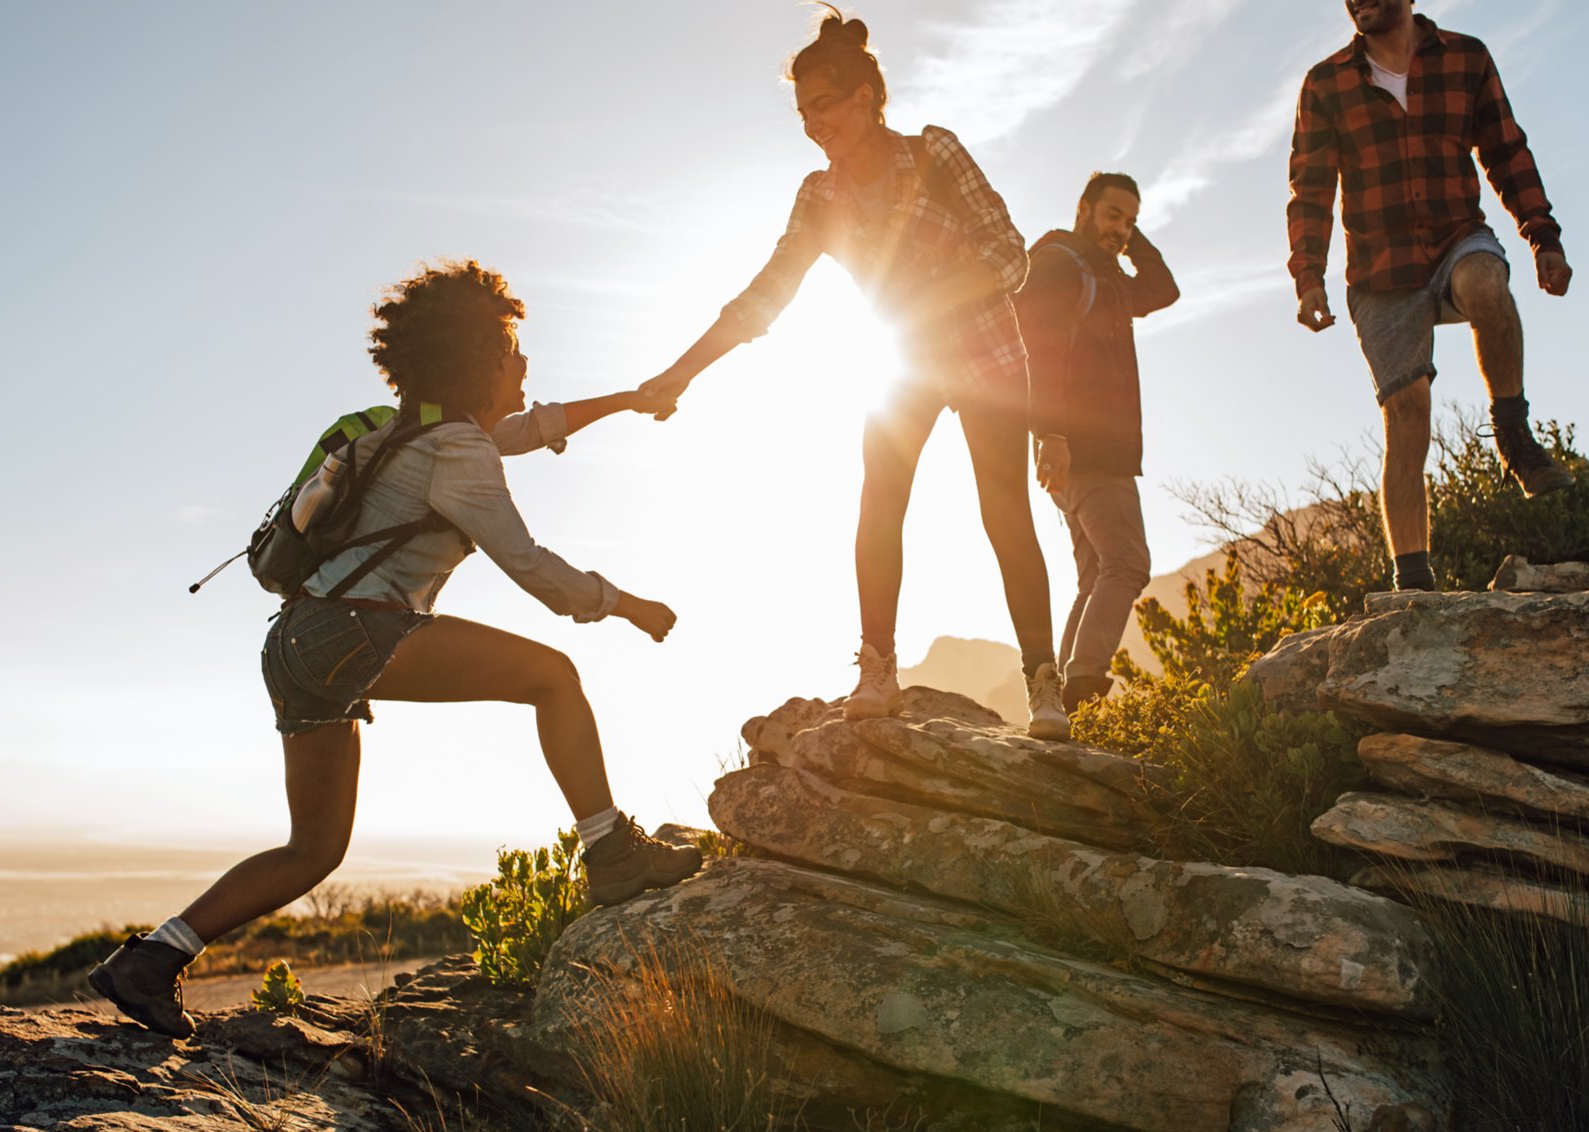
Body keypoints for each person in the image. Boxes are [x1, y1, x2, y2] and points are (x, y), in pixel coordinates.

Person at [89, 259, 701, 1040]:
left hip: (297, 642)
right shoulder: (458, 451)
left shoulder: (402, 429)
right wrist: (625, 605)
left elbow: (526, 429)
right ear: (480, 363)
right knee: (554, 675)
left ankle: (151, 961)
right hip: (356, 632)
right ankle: (611, 852)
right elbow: (532, 568)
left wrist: (626, 399)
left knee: (312, 851)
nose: (523, 368)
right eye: (514, 354)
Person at [638, 6, 1071, 740]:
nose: (813, 123)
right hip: (901, 359)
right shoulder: (820, 196)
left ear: (866, 97)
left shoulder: (935, 153)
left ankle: (1043, 681)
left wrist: (942, 295)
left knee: (1003, 511)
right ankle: (877, 668)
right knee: (880, 502)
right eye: (804, 112)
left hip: (984, 353)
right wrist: (683, 372)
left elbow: (1010, 251)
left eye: (825, 105)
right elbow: (763, 297)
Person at [1288, 0, 1574, 593]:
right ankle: (1413, 583)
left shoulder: (1467, 59)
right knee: (1407, 416)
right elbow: (1310, 188)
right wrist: (1308, 275)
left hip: (1455, 238)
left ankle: (1514, 436)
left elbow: (1506, 152)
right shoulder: (1326, 83)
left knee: (1485, 284)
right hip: (1379, 271)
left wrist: (1541, 235)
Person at [1015, 172, 1179, 712]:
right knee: (1127, 564)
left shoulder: (1108, 277)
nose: (1122, 228)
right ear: (1084, 208)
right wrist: (1052, 433)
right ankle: (1082, 684)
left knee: (1095, 576)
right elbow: (1042, 349)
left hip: (1087, 447)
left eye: (1130, 219)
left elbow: (1164, 290)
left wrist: (1133, 240)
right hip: (1084, 445)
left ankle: (1060, 697)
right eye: (1113, 215)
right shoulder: (1064, 264)